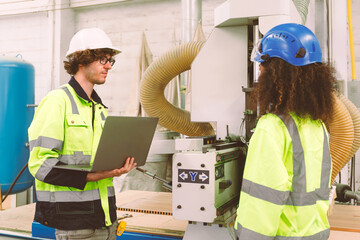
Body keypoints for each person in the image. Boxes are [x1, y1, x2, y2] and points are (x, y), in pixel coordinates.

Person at [28, 27, 137, 240]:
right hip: (73, 222)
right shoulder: (57, 101)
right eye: (102, 59)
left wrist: (118, 165)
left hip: (106, 219)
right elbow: (40, 165)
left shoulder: (99, 109)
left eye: (110, 61)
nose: (108, 66)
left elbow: (98, 161)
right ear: (82, 61)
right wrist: (99, 175)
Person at [233, 23, 336, 239]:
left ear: (277, 72)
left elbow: (261, 203)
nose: (260, 69)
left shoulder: (272, 128)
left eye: (264, 64)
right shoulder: (318, 127)